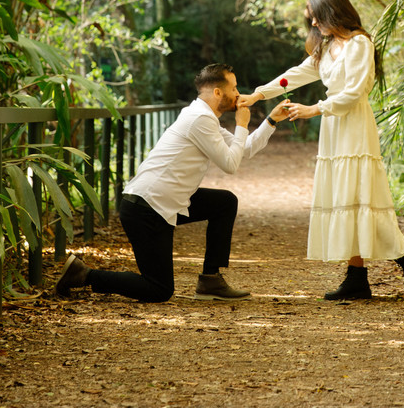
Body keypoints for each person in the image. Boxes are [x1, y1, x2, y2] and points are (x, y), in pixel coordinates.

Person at [239, 0, 404, 300]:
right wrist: (258, 94)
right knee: (345, 198)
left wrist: (314, 109)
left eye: (317, 17)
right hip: (333, 127)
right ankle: (357, 277)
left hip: (354, 125)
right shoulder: (326, 47)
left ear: (332, 12)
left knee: (360, 196)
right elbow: (296, 74)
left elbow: (355, 92)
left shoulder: (360, 44)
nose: (314, 24)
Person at [56, 63, 290, 302]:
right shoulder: (199, 119)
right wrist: (241, 124)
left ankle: (210, 280)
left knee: (224, 202)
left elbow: (244, 149)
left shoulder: (204, 117)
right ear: (218, 92)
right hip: (146, 208)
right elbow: (230, 164)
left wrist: (271, 120)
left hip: (165, 202)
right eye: (234, 88)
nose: (239, 94)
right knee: (158, 289)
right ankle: (84, 275)